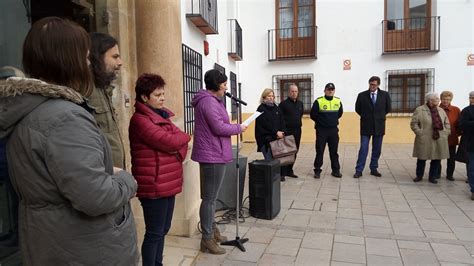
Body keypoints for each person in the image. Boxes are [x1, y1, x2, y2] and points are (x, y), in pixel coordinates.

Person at [0, 17, 138, 265]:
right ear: (68, 61)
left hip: (55, 241)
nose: (88, 64)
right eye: (85, 58)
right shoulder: (64, 118)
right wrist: (126, 180)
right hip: (83, 248)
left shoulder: (33, 109)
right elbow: (95, 197)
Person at [129, 73, 191, 266]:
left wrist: (177, 145)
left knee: (163, 229)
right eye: (157, 95)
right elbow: (170, 141)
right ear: (144, 97)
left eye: (163, 94)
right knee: (154, 232)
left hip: (167, 183)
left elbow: (176, 139)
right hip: (153, 184)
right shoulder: (140, 120)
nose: (162, 98)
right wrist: (185, 140)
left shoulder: (162, 116)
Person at [191, 69, 247, 255]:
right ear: (216, 85)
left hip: (214, 153)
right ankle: (206, 238)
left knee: (211, 198)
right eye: (223, 84)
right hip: (211, 155)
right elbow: (218, 127)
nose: (225, 88)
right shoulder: (208, 102)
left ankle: (212, 232)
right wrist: (239, 127)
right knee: (209, 199)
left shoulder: (213, 101)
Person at [89, 32, 126, 169]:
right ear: (97, 57)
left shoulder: (103, 89)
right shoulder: (86, 90)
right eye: (115, 57)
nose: (120, 63)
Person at [354, 76, 392, 178]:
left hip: (379, 126)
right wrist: (367, 117)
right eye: (370, 84)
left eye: (374, 84)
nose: (372, 86)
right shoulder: (362, 95)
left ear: (378, 85)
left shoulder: (384, 95)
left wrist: (378, 117)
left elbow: (388, 108)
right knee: (363, 148)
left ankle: (374, 168)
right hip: (366, 126)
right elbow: (358, 109)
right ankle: (359, 170)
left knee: (377, 149)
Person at [410, 92, 450, 184]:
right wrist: (419, 132)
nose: (438, 100)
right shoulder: (420, 110)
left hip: (439, 137)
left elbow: (446, 123)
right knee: (422, 158)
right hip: (425, 137)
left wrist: (446, 132)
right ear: (430, 100)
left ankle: (432, 177)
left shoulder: (441, 110)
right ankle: (419, 176)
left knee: (436, 158)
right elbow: (414, 123)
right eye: (437, 99)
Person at [310, 83, 343, 178]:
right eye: (328, 89)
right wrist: (322, 122)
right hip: (322, 130)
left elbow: (340, 113)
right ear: (324, 90)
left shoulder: (338, 101)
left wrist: (331, 121)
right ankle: (317, 171)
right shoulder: (319, 101)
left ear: (334, 91)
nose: (330, 91)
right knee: (320, 151)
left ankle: (336, 170)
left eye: (332, 89)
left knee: (334, 152)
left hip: (333, 130)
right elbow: (313, 115)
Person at [255, 88, 287, 181]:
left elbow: (282, 121)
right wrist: (275, 132)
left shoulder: (276, 108)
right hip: (266, 140)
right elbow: (264, 124)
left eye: (272, 96)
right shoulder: (261, 108)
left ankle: (276, 177)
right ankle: (269, 179)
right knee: (269, 161)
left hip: (277, 138)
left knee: (277, 160)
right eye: (269, 96)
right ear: (264, 97)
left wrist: (282, 132)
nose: (271, 98)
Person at [279, 84, 304, 178]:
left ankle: (290, 170)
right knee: (286, 152)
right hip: (287, 131)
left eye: (296, 91)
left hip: (297, 130)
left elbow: (300, 115)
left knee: (295, 151)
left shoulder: (300, 103)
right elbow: (280, 118)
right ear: (288, 92)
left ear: (298, 92)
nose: (294, 93)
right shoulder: (283, 104)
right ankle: (282, 173)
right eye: (292, 91)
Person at [437, 91, 461, 181]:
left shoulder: (456, 110)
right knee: (437, 157)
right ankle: (437, 174)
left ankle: (450, 175)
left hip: (452, 138)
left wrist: (457, 133)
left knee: (451, 158)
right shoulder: (436, 109)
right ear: (441, 99)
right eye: (444, 99)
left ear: (451, 99)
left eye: (448, 99)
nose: (445, 101)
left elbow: (459, 123)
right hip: (438, 138)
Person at [458, 91, 474, 200]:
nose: (472, 99)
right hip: (471, 143)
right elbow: (461, 124)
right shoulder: (467, 110)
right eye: (471, 97)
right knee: (472, 167)